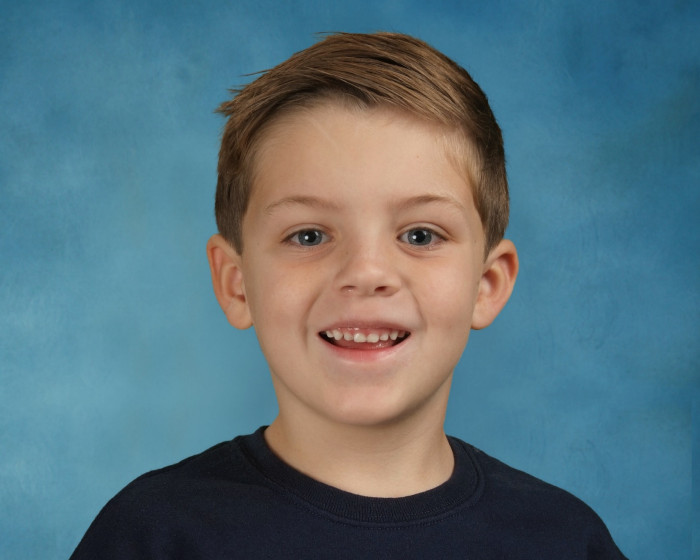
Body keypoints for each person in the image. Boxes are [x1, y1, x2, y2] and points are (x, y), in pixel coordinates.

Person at [71, 32, 627, 558]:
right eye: (309, 236)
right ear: (236, 283)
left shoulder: (563, 540)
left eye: (420, 235)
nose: (366, 273)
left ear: (488, 285)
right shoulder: (154, 535)